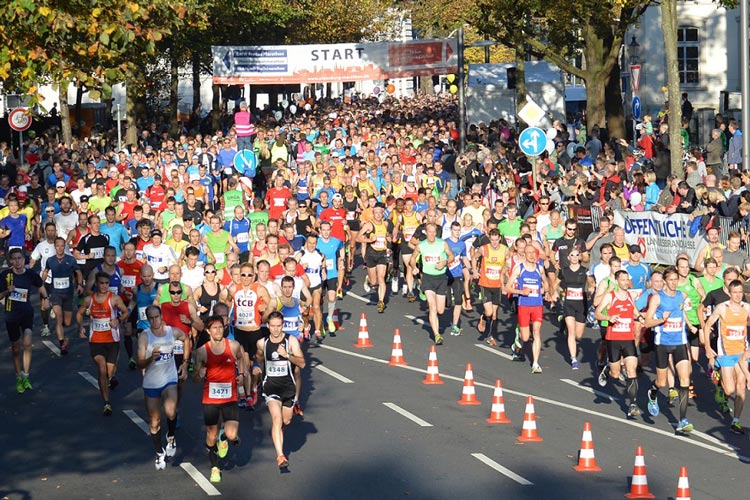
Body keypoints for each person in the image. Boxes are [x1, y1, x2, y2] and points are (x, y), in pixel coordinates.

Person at [193, 315, 244, 483]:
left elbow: (241, 358)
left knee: (231, 434)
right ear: (208, 331)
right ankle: (215, 467)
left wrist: (242, 374)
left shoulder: (234, 346)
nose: (218, 331)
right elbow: (195, 378)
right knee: (211, 436)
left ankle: (224, 437)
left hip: (230, 397)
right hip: (210, 399)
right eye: (214, 328)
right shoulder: (201, 351)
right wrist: (199, 375)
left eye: (220, 327)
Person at [137, 305, 189, 470]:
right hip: (151, 383)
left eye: (156, 317)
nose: (154, 321)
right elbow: (139, 362)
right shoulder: (145, 337)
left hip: (169, 378)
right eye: (151, 318)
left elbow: (186, 338)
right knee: (154, 422)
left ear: (161, 316)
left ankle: (171, 436)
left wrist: (186, 364)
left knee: (171, 411)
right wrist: (150, 358)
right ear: (147, 319)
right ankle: (159, 452)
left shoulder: (171, 332)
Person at [643, 267, 694, 434]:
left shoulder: (682, 296)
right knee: (662, 382)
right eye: (670, 280)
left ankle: (682, 420)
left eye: (676, 279)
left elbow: (682, 312)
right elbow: (647, 323)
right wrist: (661, 319)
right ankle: (653, 392)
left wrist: (690, 325)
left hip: (679, 342)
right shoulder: (657, 299)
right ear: (664, 280)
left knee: (684, 379)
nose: (673, 283)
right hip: (662, 344)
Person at [255, 311, 305, 470]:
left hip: (288, 387)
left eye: (279, 326)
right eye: (273, 326)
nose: (276, 330)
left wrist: (287, 355)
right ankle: (280, 455)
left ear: (282, 325)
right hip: (271, 386)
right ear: (268, 326)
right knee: (276, 419)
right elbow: (258, 358)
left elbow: (302, 363)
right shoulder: (262, 343)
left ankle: (289, 414)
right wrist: (257, 367)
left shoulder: (291, 341)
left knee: (286, 420)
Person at [77, 271, 130, 416]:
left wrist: (118, 321)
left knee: (109, 373)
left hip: (112, 340)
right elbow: (79, 313)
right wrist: (80, 327)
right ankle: (107, 403)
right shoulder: (90, 300)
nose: (104, 286)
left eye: (107, 283)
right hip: (96, 340)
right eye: (101, 283)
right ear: (96, 284)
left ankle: (106, 382)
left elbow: (126, 312)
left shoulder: (114, 299)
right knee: (102, 368)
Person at [594, 270, 645, 418]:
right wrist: (608, 317)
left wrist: (642, 319)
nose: (625, 283)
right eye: (622, 280)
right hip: (613, 339)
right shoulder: (610, 297)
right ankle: (607, 369)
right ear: (617, 282)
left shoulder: (630, 297)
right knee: (615, 374)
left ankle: (633, 404)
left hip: (628, 339)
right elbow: (597, 313)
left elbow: (635, 313)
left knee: (631, 371)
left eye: (627, 280)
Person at [703, 279, 750, 435]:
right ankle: (719, 382)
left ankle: (735, 421)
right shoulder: (722, 308)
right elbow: (708, 325)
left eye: (740, 292)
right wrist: (708, 347)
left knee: (741, 386)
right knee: (729, 390)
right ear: (729, 293)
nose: (737, 295)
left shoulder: (747, 308)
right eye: (734, 292)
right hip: (726, 352)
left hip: (742, 352)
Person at [0, 248, 49, 393]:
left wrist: (45, 299)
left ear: (23, 259)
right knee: (16, 348)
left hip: (27, 313)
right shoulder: (6, 275)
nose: (17, 261)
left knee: (27, 343)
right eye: (14, 259)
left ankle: (26, 375)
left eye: (19, 258)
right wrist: (7, 291)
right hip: (11, 315)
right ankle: (18, 376)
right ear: (10, 261)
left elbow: (40, 285)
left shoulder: (29, 274)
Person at [225, 261, 272, 409]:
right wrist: (226, 317)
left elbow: (271, 305)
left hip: (255, 331)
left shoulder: (260, 289)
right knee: (244, 365)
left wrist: (264, 314)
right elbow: (225, 302)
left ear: (254, 276)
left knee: (255, 366)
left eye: (249, 275)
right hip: (240, 332)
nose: (245, 278)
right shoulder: (233, 289)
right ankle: (247, 396)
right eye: (243, 275)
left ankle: (254, 388)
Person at [508, 243, 550, 373]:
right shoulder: (519, 268)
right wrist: (521, 292)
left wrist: (544, 290)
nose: (532, 255)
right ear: (524, 255)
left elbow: (546, 284)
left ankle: (536, 363)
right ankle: (518, 338)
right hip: (524, 305)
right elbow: (508, 287)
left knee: (536, 332)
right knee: (526, 338)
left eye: (534, 253)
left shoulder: (540, 268)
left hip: (537, 305)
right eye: (529, 253)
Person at [409, 223, 454, 345]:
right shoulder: (421, 245)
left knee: (440, 310)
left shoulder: (442, 243)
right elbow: (413, 258)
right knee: (432, 307)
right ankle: (437, 335)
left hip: (441, 278)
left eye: (434, 232)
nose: (432, 234)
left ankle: (436, 328)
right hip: (428, 278)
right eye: (430, 232)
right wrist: (414, 267)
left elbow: (451, 256)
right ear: (426, 232)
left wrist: (444, 262)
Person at [42, 237, 83, 354]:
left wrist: (79, 284)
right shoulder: (50, 260)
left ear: (64, 247)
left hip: (68, 294)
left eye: (62, 246)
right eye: (57, 246)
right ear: (54, 247)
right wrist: (41, 283)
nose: (60, 248)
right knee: (59, 318)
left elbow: (78, 273)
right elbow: (45, 271)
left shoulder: (71, 260)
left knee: (68, 322)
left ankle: (63, 333)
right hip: (55, 293)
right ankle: (62, 345)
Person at [471, 228, 508, 346]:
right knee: (489, 311)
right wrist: (475, 271)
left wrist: (507, 279)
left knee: (495, 313)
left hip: (497, 284)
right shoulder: (484, 248)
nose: (494, 243)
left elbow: (509, 264)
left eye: (496, 240)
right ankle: (483, 317)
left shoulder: (505, 250)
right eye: (492, 240)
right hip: (485, 283)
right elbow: (474, 257)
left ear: (500, 239)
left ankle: (490, 336)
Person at [357, 202, 395, 313]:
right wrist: (369, 240)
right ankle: (369, 279)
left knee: (381, 278)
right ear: (373, 213)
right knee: (374, 282)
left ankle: (381, 301)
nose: (378, 215)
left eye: (380, 213)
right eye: (376, 212)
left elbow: (389, 236)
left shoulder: (386, 224)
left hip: (382, 254)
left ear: (383, 213)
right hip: (371, 254)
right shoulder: (369, 225)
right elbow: (358, 238)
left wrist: (389, 238)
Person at [555, 248, 588, 370]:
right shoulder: (564, 271)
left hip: (581, 305)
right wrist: (554, 293)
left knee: (578, 335)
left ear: (580, 257)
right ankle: (573, 358)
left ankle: (562, 321)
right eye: (572, 255)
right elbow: (555, 284)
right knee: (571, 332)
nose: (574, 257)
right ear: (568, 258)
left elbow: (592, 283)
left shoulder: (585, 271)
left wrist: (591, 289)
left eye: (576, 255)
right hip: (568, 304)